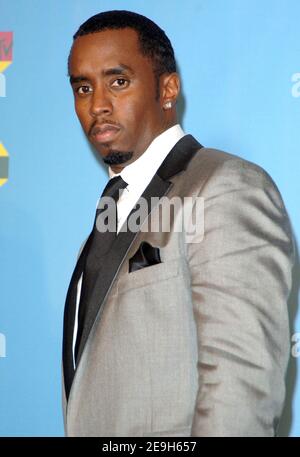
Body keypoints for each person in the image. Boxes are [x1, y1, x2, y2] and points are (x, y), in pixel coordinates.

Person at [62, 10, 294, 437]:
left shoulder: (226, 186)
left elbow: (240, 388)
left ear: (167, 88)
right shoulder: (106, 220)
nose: (96, 105)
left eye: (118, 81)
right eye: (83, 87)